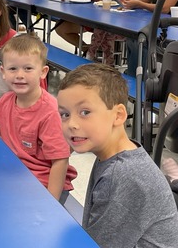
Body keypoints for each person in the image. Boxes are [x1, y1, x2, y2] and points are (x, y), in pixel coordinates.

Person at [57, 63, 178, 248]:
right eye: (64, 114)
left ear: (119, 115)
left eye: (85, 112)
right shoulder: (116, 154)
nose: (71, 124)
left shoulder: (122, 175)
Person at [0, 34, 77, 204]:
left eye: (28, 68)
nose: (20, 75)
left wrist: (51, 203)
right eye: (13, 69)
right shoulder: (4, 102)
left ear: (43, 72)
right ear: (3, 72)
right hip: (15, 176)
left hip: (44, 183)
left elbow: (60, 160)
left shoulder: (50, 112)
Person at [116, 0, 148, 76]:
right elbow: (130, 6)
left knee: (136, 43)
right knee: (130, 41)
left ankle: (135, 74)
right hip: (132, 23)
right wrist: (124, 0)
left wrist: (129, 2)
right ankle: (131, 72)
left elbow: (140, 5)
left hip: (143, 24)